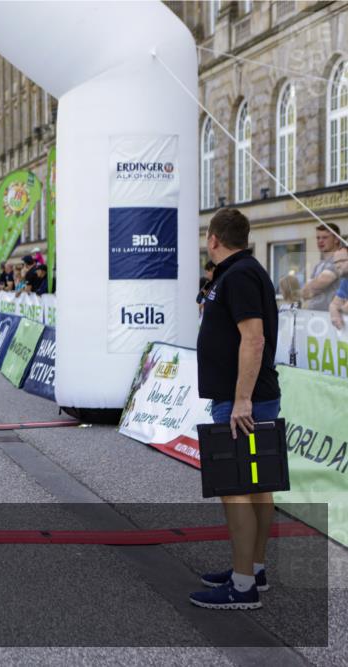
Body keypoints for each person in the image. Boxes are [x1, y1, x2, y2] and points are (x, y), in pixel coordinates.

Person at [191, 208, 280, 611]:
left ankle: (242, 586)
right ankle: (253, 570)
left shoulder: (240, 275)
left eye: (207, 238)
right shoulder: (235, 273)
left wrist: (241, 400)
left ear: (213, 239)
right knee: (257, 487)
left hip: (241, 400)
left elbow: (254, 339)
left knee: (237, 490)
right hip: (245, 397)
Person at [300, 223, 343, 311]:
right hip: (315, 317)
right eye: (318, 238)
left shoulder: (341, 259)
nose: (320, 241)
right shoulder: (318, 265)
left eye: (325, 237)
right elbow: (306, 293)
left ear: (336, 239)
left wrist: (310, 288)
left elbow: (320, 283)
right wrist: (308, 290)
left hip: (332, 318)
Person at [327, 247, 348, 329]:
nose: (338, 265)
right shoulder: (345, 281)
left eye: (343, 260)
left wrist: (340, 308)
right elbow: (334, 305)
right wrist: (335, 309)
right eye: (335, 262)